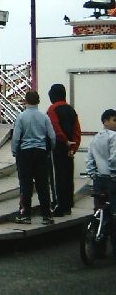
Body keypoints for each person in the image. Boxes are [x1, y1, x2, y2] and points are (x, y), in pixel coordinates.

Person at [12, 90, 56, 225]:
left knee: (26, 184)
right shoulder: (44, 117)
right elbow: (52, 136)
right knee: (43, 184)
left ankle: (26, 215)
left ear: (26, 101)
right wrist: (49, 149)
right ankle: (46, 215)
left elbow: (16, 137)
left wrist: (15, 151)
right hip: (41, 152)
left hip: (25, 153)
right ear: (38, 101)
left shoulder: (21, 117)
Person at [46, 83, 81, 216]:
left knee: (58, 177)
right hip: (69, 149)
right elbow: (77, 130)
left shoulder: (52, 109)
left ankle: (59, 206)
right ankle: (68, 205)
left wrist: (64, 141)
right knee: (68, 176)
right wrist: (73, 147)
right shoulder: (71, 109)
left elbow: (54, 127)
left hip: (58, 147)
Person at [85, 109, 116, 256]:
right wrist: (113, 173)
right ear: (105, 121)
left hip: (98, 179)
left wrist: (92, 172)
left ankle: (98, 248)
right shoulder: (114, 137)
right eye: (114, 120)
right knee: (114, 213)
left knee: (99, 209)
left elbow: (89, 158)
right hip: (111, 179)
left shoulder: (96, 137)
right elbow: (114, 158)